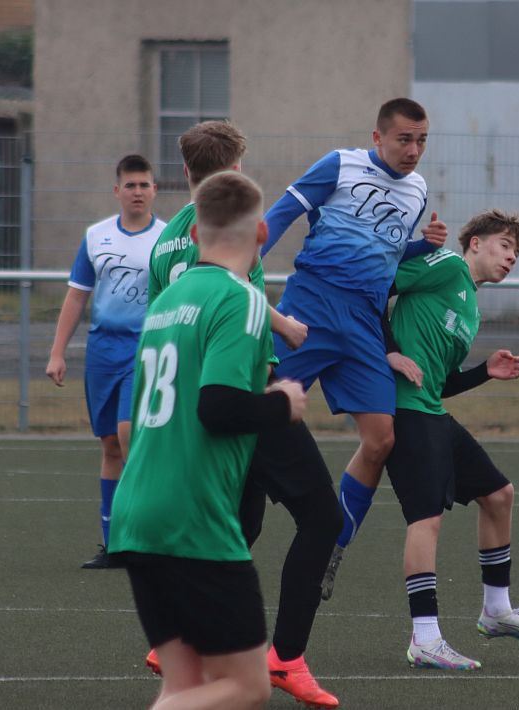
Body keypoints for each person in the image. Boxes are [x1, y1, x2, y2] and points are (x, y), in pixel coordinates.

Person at [143, 120, 341, 708]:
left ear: (185, 171)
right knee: (322, 518)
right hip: (242, 388)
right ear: (235, 172)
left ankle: (181, 637)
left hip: (192, 395)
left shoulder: (166, 241)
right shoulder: (232, 230)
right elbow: (231, 296)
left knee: (240, 524)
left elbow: (175, 314)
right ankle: (287, 658)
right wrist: (285, 329)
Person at [110, 170, 305, 710]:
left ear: (194, 234)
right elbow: (218, 408)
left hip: (138, 512)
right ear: (262, 233)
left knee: (185, 689)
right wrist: (283, 403)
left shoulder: (165, 302)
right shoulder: (242, 299)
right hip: (193, 520)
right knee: (248, 686)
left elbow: (140, 414)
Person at [260, 98, 447, 598]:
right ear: (378, 137)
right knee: (260, 409)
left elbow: (386, 252)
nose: (414, 150)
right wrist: (239, 267)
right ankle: (218, 519)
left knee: (382, 439)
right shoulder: (340, 164)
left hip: (364, 322)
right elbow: (281, 215)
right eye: (404, 139)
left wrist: (423, 246)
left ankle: (332, 547)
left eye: (422, 140)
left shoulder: (417, 190)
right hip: (312, 305)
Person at [381, 210, 519, 670]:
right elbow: (373, 288)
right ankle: (424, 638)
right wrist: (390, 352)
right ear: (475, 243)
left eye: (516, 253)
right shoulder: (445, 265)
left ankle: (496, 611)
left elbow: (439, 384)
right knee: (426, 520)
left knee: (499, 495)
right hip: (404, 412)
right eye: (505, 245)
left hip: (431, 411)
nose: (511, 257)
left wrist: (485, 372)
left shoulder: (470, 310)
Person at [45, 154, 166, 569]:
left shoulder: (168, 239)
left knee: (130, 435)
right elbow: (77, 295)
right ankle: (113, 543)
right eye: (130, 185)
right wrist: (57, 352)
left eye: (144, 185)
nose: (137, 192)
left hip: (146, 349)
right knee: (110, 445)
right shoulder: (97, 237)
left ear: (155, 190)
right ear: (117, 191)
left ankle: (144, 537)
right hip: (102, 352)